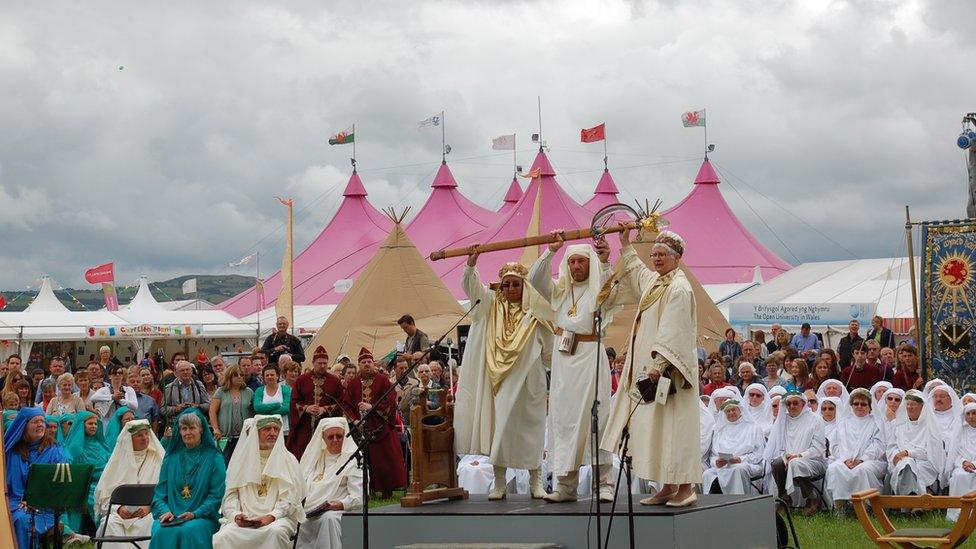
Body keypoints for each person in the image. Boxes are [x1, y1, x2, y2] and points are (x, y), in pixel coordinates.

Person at [600, 229, 700, 507]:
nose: (656, 259)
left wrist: (657, 366)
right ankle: (667, 485)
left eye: (662, 255)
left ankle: (686, 487)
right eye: (654, 254)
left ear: (677, 257)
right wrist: (624, 245)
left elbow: (673, 330)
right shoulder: (658, 282)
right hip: (657, 372)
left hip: (672, 374)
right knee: (660, 429)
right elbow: (638, 272)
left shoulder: (679, 288)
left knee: (676, 429)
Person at [454, 256, 552, 501]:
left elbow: (550, 350)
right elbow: (472, 288)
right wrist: (471, 264)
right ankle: (499, 483)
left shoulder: (536, 310)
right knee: (501, 431)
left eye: (515, 284)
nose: (510, 289)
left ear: (524, 286)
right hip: (500, 382)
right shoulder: (491, 306)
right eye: (506, 284)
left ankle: (535, 481)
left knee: (532, 430)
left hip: (530, 381)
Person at [527, 232, 615, 504]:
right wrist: (551, 251)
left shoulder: (598, 288)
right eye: (572, 262)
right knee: (564, 420)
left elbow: (612, 293)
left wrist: (604, 260)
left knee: (596, 416)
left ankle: (604, 483)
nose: (577, 267)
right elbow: (534, 279)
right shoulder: (560, 291)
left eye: (582, 262)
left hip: (591, 357)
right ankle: (566, 486)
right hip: (565, 360)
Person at [213, 416, 305, 549]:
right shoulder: (240, 461)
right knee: (224, 535)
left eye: (276, 429)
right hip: (244, 519)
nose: (273, 433)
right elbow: (230, 496)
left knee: (275, 532)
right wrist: (236, 516)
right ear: (256, 433)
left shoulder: (289, 460)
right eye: (267, 429)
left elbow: (291, 499)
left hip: (278, 519)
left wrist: (271, 516)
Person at [4, 407, 88, 547]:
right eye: (35, 421)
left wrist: (34, 500)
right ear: (24, 426)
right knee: (16, 516)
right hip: (13, 503)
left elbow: (58, 485)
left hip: (44, 507)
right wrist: (21, 502)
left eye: (42, 421)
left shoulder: (54, 450)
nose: (40, 425)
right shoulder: (12, 452)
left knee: (22, 519)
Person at [149, 409, 226, 549]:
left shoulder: (215, 458)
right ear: (179, 432)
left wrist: (195, 514)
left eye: (192, 428)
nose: (187, 432)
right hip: (171, 516)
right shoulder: (171, 458)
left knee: (188, 530)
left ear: (201, 430)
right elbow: (159, 495)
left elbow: (216, 497)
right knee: (161, 530)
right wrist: (165, 511)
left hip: (203, 517)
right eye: (184, 428)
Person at [341, 347, 407, 497]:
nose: (366, 364)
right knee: (367, 461)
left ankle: (387, 490)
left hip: (382, 427)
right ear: (359, 364)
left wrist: (372, 407)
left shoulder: (383, 381)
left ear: (373, 363)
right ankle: (368, 490)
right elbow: (346, 404)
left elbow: (390, 400)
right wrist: (355, 420)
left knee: (386, 460)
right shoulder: (354, 384)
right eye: (363, 362)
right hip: (362, 429)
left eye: (369, 361)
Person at [93, 419, 165, 549]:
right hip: (120, 516)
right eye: (139, 435)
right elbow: (105, 497)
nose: (144, 438)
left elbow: (166, 491)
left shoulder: (158, 459)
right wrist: (119, 509)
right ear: (129, 439)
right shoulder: (118, 462)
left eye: (146, 434)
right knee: (108, 524)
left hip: (149, 514)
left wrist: (149, 508)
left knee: (153, 523)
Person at [298, 417, 363, 548]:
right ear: (323, 438)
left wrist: (338, 504)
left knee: (329, 519)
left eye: (339, 436)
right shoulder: (315, 458)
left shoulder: (353, 459)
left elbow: (359, 498)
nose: (335, 440)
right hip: (309, 511)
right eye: (330, 437)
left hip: (338, 511)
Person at [825, 389, 886, 516]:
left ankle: (864, 509)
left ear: (869, 406)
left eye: (863, 404)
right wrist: (845, 459)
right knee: (835, 468)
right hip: (845, 460)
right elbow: (835, 445)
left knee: (862, 470)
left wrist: (862, 459)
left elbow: (878, 445)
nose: (859, 407)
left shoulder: (876, 422)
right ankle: (840, 507)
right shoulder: (842, 423)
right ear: (851, 405)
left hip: (871, 461)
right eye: (856, 403)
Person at [765, 392, 827, 516]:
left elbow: (818, 449)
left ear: (803, 404)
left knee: (796, 463)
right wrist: (786, 456)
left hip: (814, 461)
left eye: (795, 403)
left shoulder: (815, 420)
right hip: (790, 460)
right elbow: (779, 446)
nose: (792, 406)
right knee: (777, 463)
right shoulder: (783, 421)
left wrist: (799, 456)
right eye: (788, 404)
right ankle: (784, 498)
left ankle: (812, 498)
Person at [286, 345, 343, 458]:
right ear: (313, 362)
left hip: (327, 427)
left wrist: (325, 409)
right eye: (319, 363)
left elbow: (340, 402)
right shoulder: (302, 380)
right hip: (305, 426)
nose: (322, 366)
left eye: (325, 363)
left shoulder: (335, 381)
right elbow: (294, 401)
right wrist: (306, 408)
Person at [887, 390, 944, 497]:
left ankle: (910, 501)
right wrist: (897, 454)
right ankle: (917, 499)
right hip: (901, 459)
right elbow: (892, 446)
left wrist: (908, 453)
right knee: (907, 464)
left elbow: (932, 452)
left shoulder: (930, 426)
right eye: (907, 404)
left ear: (922, 407)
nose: (909, 407)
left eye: (913, 404)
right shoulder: (898, 424)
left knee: (909, 465)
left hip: (925, 463)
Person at [702, 399, 765, 495]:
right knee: (707, 474)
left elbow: (759, 454)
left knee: (738, 469)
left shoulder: (753, 428)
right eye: (728, 411)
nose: (731, 413)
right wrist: (716, 462)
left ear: (740, 410)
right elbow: (713, 455)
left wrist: (740, 459)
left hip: (746, 464)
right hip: (723, 467)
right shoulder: (719, 430)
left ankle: (739, 503)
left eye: (733, 410)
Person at [63, 410, 112, 534]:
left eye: (95, 424)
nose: (94, 427)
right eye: (90, 424)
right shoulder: (75, 447)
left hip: (106, 482)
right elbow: (77, 473)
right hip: (86, 486)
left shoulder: (101, 445)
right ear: (81, 425)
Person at [210, 364, 254, 463]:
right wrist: (216, 429)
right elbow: (212, 411)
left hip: (244, 436)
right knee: (224, 462)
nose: (239, 377)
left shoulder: (249, 392)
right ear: (229, 376)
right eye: (235, 375)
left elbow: (254, 412)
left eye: (241, 375)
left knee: (242, 463)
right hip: (224, 436)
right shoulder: (221, 392)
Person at [947, 403, 976, 521]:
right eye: (968, 414)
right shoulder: (960, 431)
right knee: (958, 476)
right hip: (963, 466)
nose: (971, 417)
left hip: (973, 465)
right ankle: (957, 514)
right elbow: (955, 453)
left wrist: (973, 464)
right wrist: (964, 462)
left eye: (974, 413)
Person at [252, 364, 291, 436]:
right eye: (267, 375)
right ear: (263, 378)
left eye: (272, 375)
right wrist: (277, 405)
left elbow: (286, 409)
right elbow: (258, 408)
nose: (270, 377)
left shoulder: (285, 389)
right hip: (264, 429)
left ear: (277, 376)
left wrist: (265, 412)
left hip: (283, 429)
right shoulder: (259, 390)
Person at [129, 366, 161, 433]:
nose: (135, 384)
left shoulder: (150, 400)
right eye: (133, 382)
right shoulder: (123, 400)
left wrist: (153, 436)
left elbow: (155, 420)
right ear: (128, 384)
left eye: (138, 382)